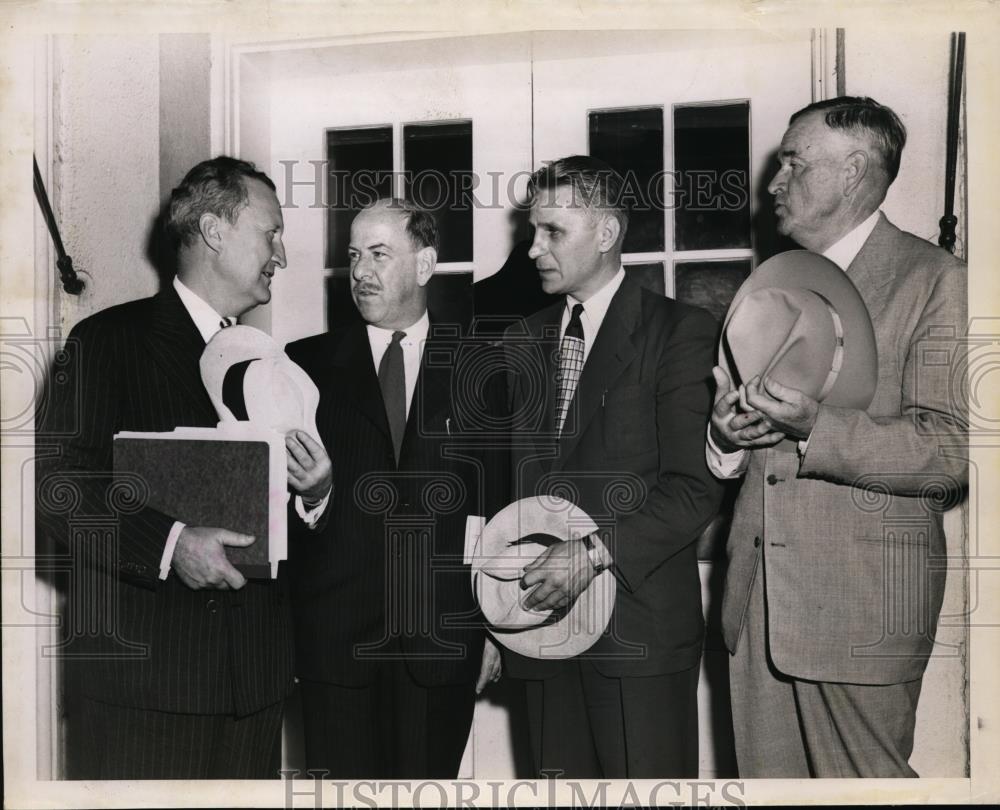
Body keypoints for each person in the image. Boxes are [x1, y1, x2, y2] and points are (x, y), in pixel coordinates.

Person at [35, 156, 331, 778]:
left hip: (256, 687)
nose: (281, 253)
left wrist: (316, 493)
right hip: (148, 688)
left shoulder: (267, 363)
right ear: (216, 232)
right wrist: (171, 546)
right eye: (270, 232)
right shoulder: (107, 342)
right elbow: (58, 487)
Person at [708, 96, 968, 778]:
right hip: (756, 614)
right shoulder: (772, 286)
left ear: (853, 172)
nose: (773, 183)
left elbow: (950, 452)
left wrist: (815, 428)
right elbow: (753, 448)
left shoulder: (936, 280)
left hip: (857, 618)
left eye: (794, 161)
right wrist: (727, 438)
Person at [500, 155, 723, 778]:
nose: (533, 249)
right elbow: (507, 493)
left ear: (607, 233)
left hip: (639, 640)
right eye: (532, 230)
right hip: (539, 632)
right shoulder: (520, 341)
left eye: (553, 231)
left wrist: (592, 552)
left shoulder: (681, 332)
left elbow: (694, 488)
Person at [284, 198, 505, 778]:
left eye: (379, 254)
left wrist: (496, 630)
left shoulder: (483, 369)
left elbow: (496, 509)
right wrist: (312, 496)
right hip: (336, 650)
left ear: (426, 264)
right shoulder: (301, 367)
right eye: (353, 256)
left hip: (442, 650)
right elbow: (276, 517)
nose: (360, 272)